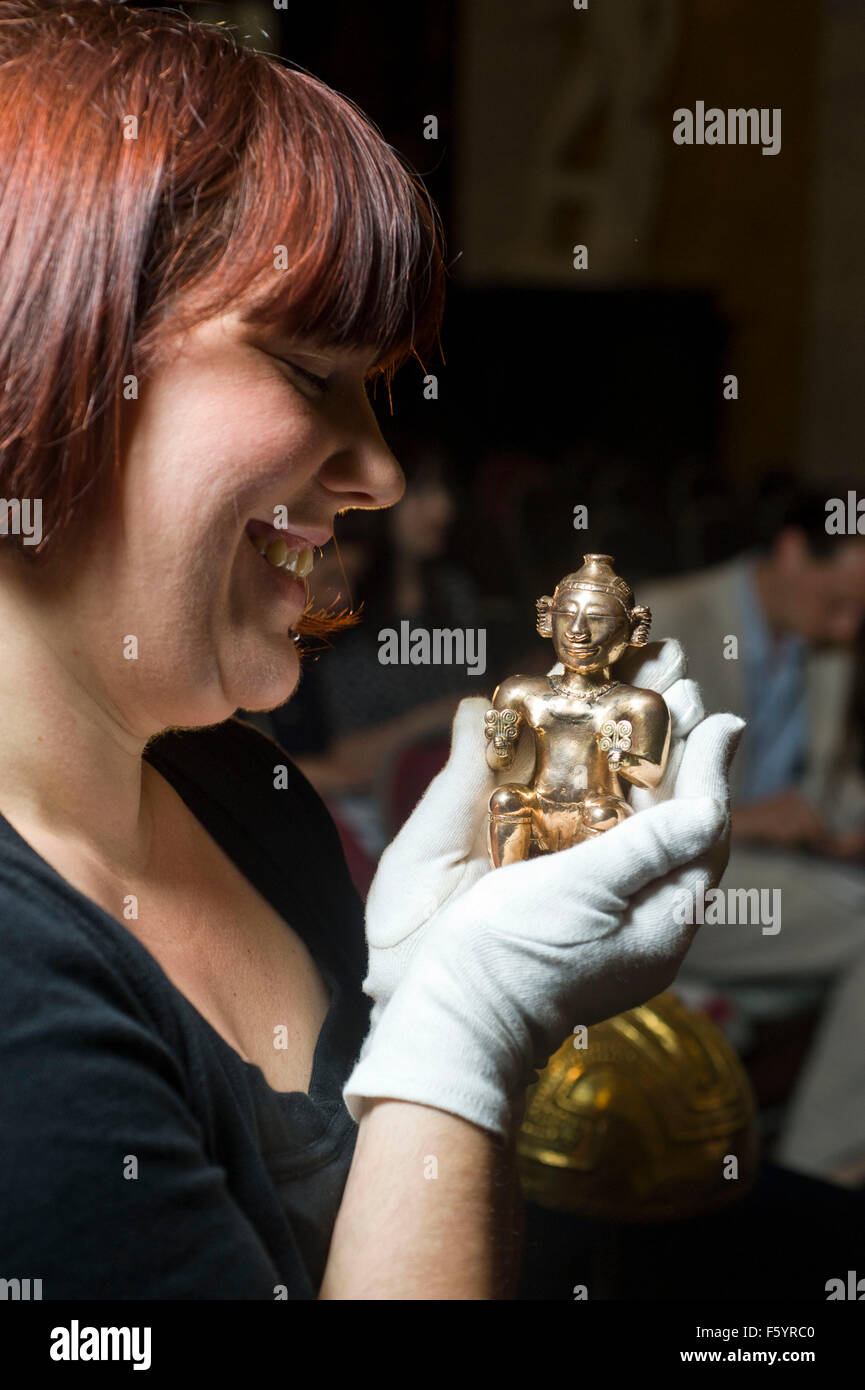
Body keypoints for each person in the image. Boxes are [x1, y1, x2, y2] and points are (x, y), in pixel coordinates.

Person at [0, 0, 741, 1300]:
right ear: (44, 354)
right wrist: (467, 1027)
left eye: (380, 390)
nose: (381, 473)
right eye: (304, 369)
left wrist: (424, 1001)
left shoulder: (243, 794)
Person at [641, 491, 865, 1187]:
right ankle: (814, 1175)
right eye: (839, 602)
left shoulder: (819, 639)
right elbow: (606, 809)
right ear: (793, 551)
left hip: (772, 878)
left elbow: (823, 782)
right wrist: (742, 816)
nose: (851, 624)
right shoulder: (666, 619)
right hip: (672, 887)